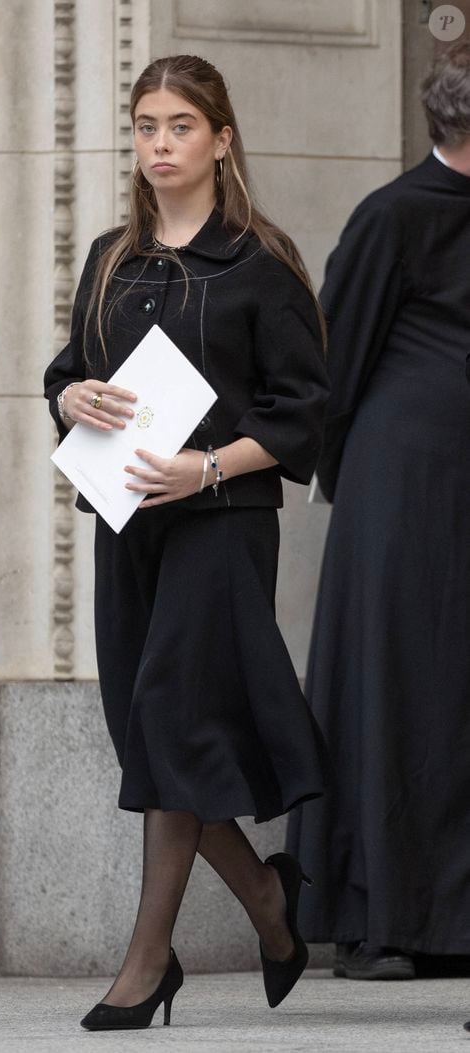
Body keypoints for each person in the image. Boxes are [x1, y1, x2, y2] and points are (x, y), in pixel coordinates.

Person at [44, 54, 330, 1031]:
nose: (159, 143)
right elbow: (69, 376)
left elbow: (305, 416)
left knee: (167, 724)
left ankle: (145, 963)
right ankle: (266, 900)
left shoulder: (261, 263)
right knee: (148, 736)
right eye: (145, 126)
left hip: (219, 524)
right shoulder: (107, 262)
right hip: (128, 523)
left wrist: (205, 467)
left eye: (178, 126)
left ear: (220, 138)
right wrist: (67, 394)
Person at [286, 42, 470, 981]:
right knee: (395, 684)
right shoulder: (391, 213)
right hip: (402, 491)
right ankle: (379, 919)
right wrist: (335, 468)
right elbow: (336, 352)